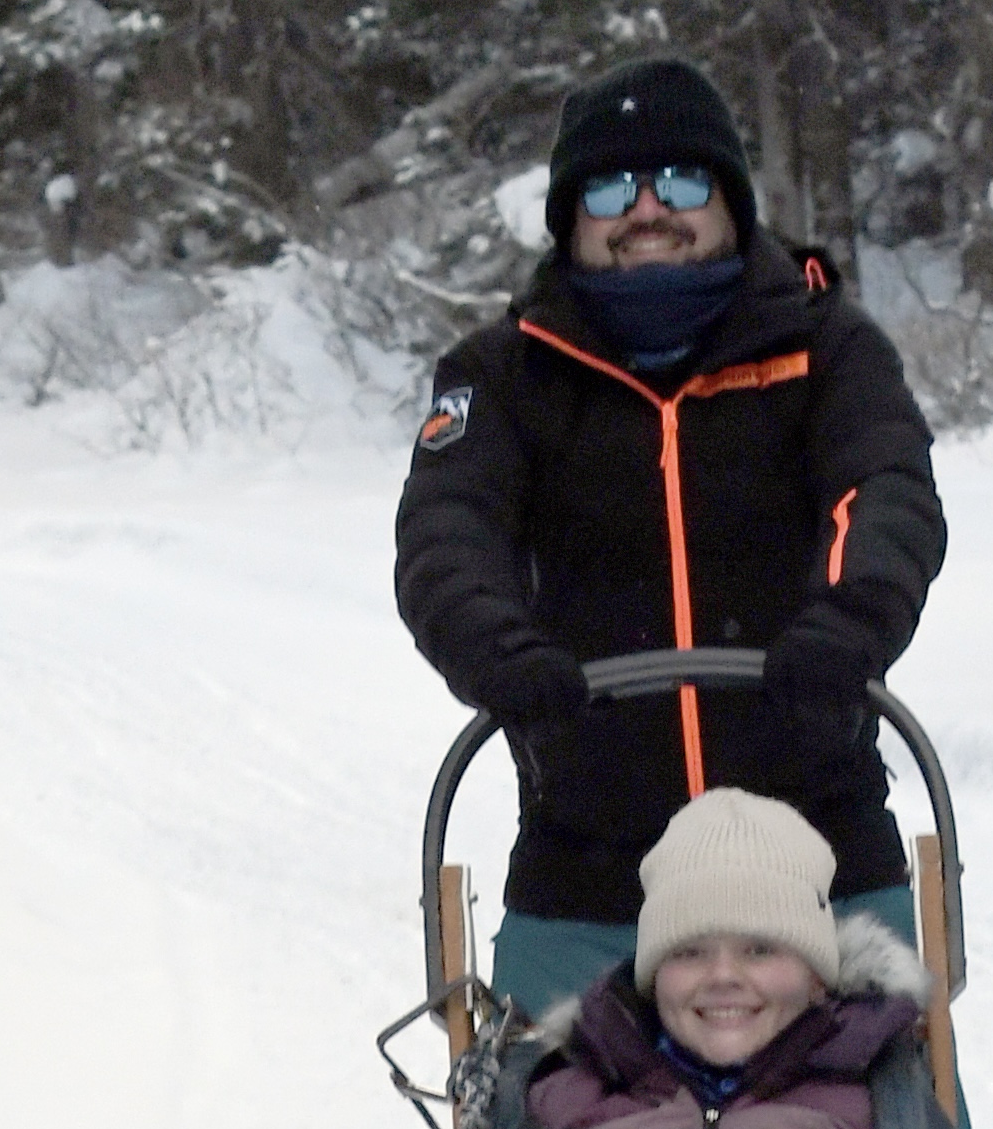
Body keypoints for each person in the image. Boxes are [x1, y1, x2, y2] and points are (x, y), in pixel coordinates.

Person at [393, 54, 946, 1015]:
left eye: (680, 181)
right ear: (571, 218)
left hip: (816, 852)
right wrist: (503, 656)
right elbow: (448, 534)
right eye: (611, 189)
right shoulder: (501, 375)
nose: (647, 209)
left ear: (731, 201)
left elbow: (884, 490)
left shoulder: (827, 351)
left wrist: (844, 626)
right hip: (589, 863)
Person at [523, 786, 921, 1129]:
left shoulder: (877, 1112)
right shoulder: (569, 1101)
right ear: (654, 980)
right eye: (690, 952)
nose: (723, 976)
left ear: (817, 978)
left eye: (759, 949)